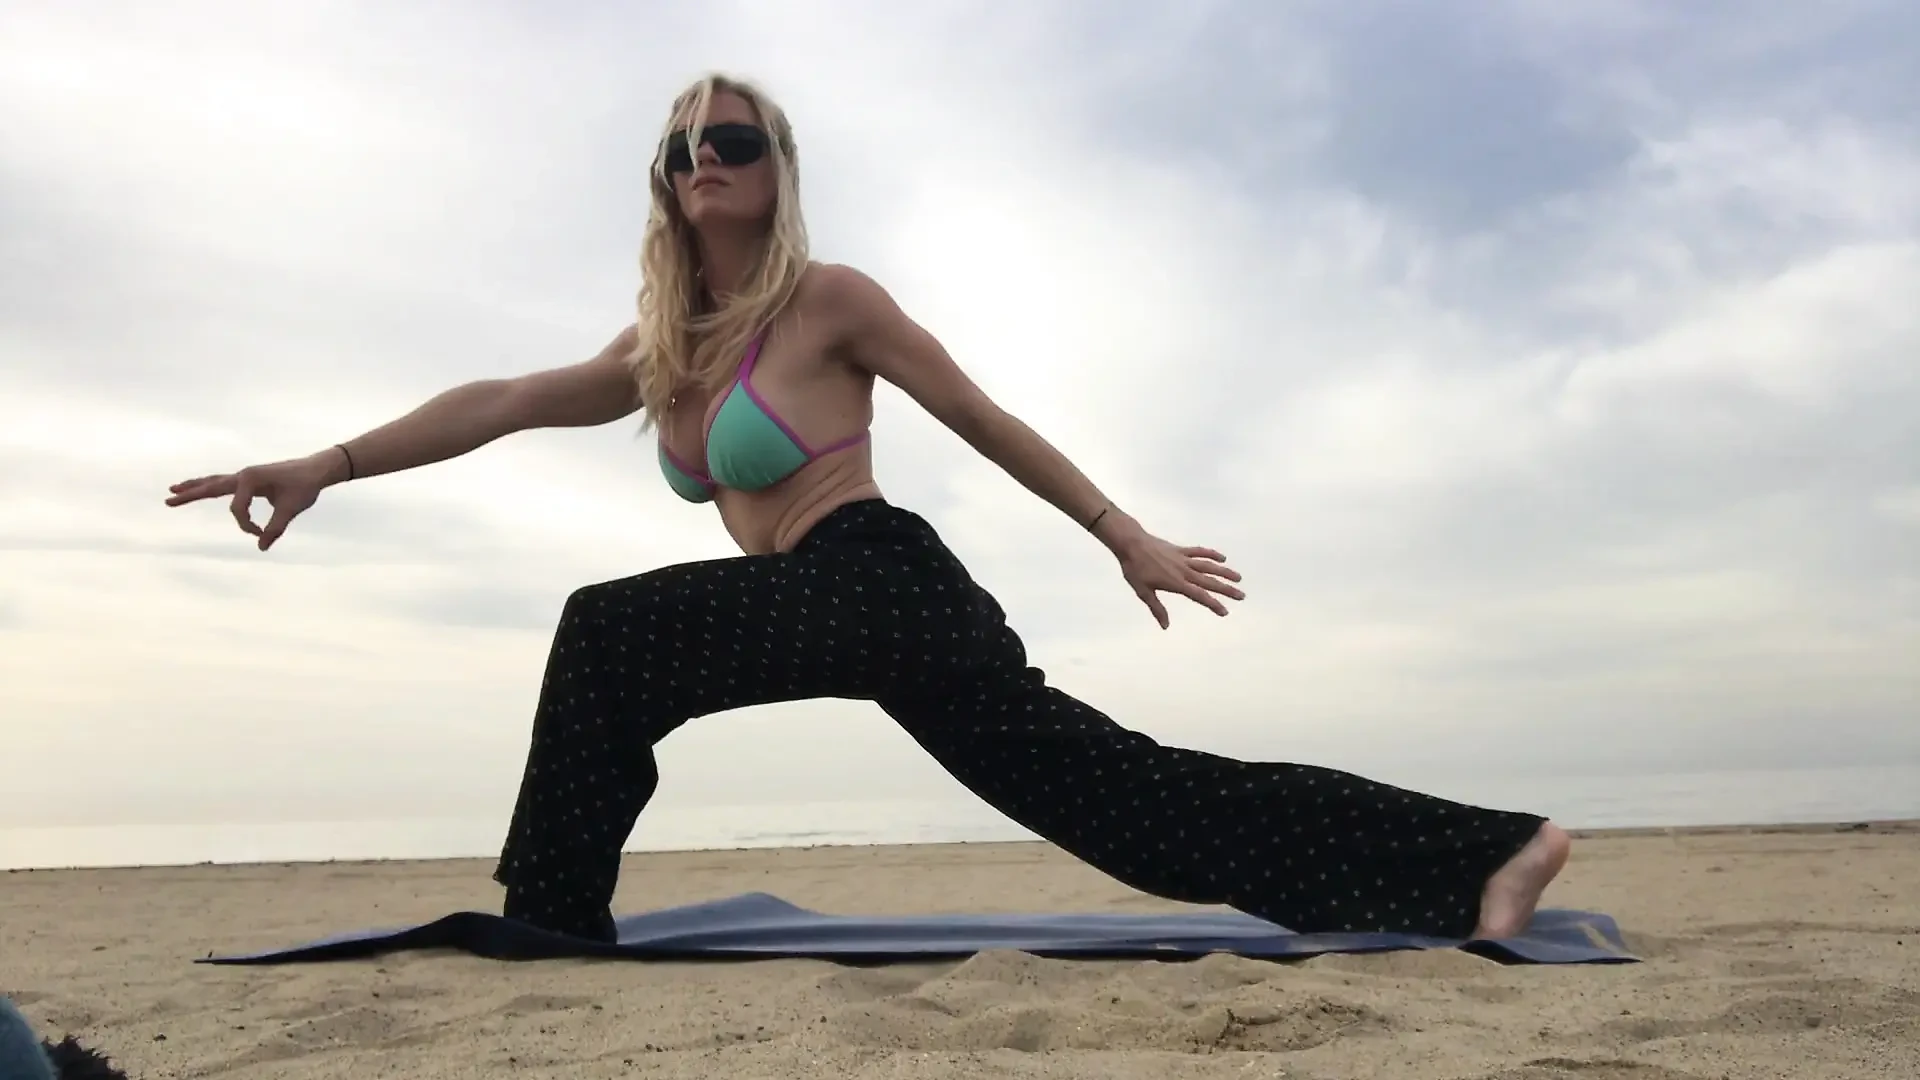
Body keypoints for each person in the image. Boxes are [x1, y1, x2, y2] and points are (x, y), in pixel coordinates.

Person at [165, 72, 1570, 944]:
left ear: (778, 167)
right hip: (842, 607)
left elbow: (980, 417)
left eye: (731, 139)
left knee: (610, 635)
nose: (702, 160)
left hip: (881, 579)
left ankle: (551, 916)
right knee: (1128, 804)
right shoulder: (662, 346)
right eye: (679, 148)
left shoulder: (829, 301)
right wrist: (327, 464)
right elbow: (505, 399)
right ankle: (1484, 858)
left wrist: (1122, 534)